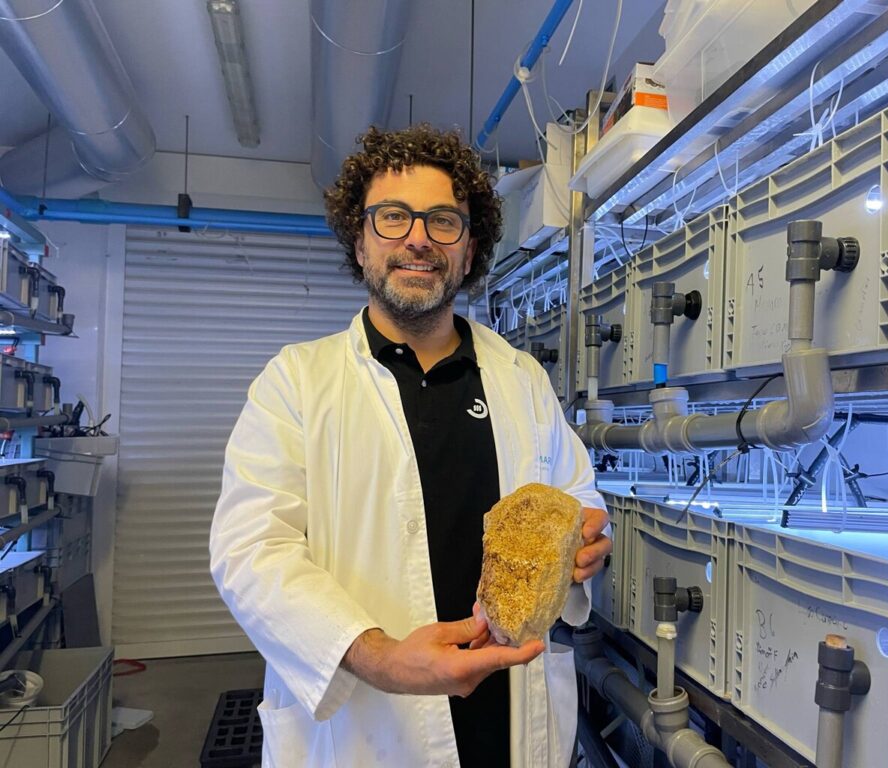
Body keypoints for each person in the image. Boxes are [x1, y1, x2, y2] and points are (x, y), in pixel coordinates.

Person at [209, 124, 610, 768]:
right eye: (393, 217)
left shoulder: (521, 378)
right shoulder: (297, 383)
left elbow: (576, 496)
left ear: (469, 249)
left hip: (507, 717)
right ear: (360, 241)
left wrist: (586, 543)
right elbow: (251, 552)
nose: (418, 238)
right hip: (368, 725)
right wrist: (380, 657)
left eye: (443, 221)